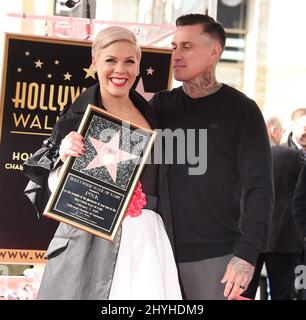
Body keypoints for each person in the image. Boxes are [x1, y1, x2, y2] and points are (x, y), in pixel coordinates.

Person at [23, 26, 182, 300]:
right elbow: (49, 187)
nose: (120, 70)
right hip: (88, 247)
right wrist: (63, 157)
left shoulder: (154, 117)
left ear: (138, 66)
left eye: (129, 61)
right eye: (110, 60)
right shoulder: (75, 117)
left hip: (147, 244)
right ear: (95, 62)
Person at [150, 13, 274, 300]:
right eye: (174, 47)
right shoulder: (159, 106)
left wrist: (247, 254)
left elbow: (260, 187)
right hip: (158, 254)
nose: (176, 56)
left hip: (218, 259)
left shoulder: (242, 111)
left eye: (187, 47)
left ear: (214, 52)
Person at [242, 115, 302, 300]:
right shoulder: (293, 156)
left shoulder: (244, 155)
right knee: (281, 293)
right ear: (273, 131)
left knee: (244, 290)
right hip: (283, 238)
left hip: (248, 235)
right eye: (282, 131)